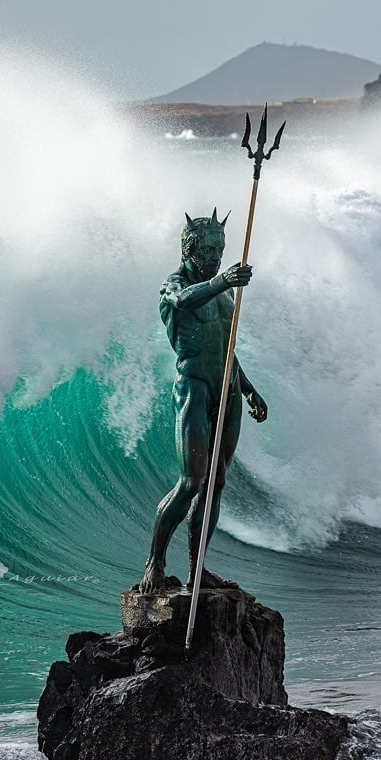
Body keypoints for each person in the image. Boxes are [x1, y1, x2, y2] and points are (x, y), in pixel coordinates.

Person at [139, 209, 267, 595]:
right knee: (191, 481)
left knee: (216, 483)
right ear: (189, 248)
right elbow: (183, 301)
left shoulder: (224, 290)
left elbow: (226, 347)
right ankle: (156, 563)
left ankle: (198, 571)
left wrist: (247, 387)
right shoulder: (173, 285)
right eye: (208, 249)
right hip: (194, 390)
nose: (215, 256)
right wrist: (220, 279)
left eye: (220, 249)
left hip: (227, 391)